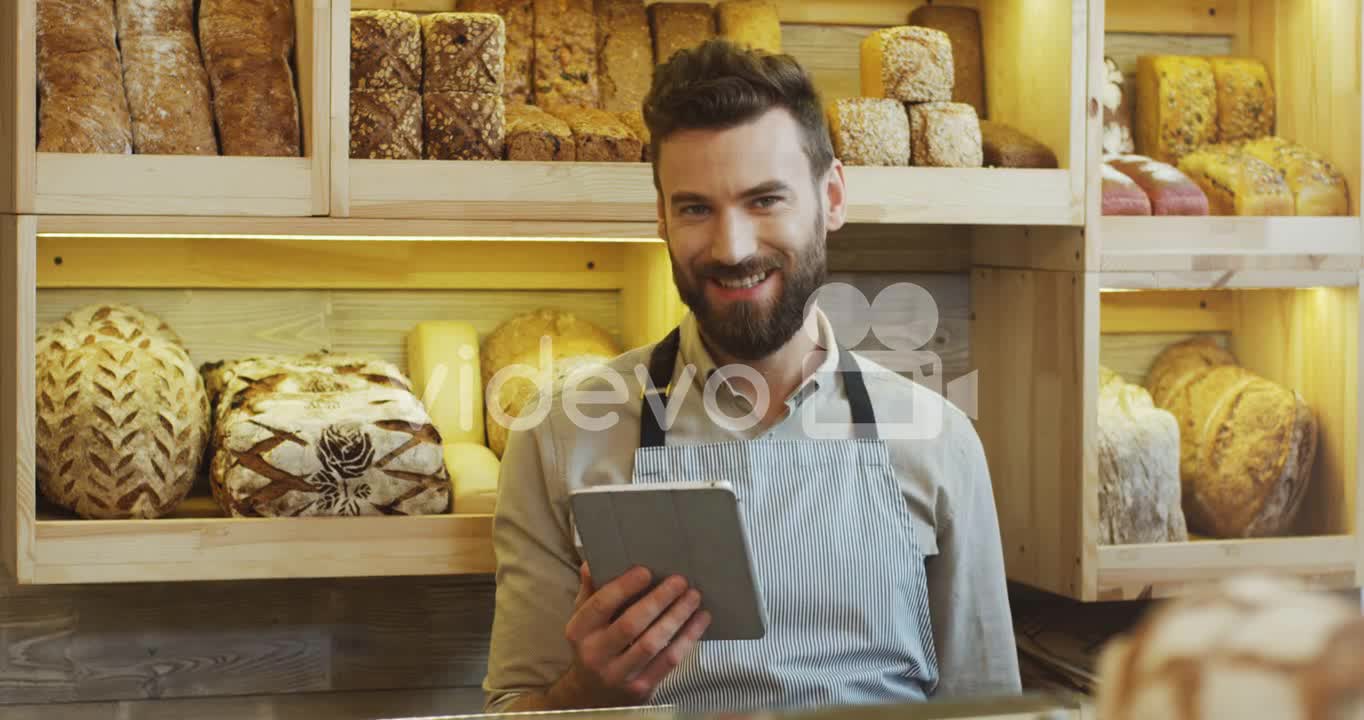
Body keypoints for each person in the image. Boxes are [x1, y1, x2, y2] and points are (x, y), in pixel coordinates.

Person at [482, 39, 1020, 713]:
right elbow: (513, 708)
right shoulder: (559, 438)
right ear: (661, 219)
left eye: (765, 200)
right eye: (695, 208)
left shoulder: (938, 441)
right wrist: (585, 692)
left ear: (832, 197)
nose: (731, 248)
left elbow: (992, 711)